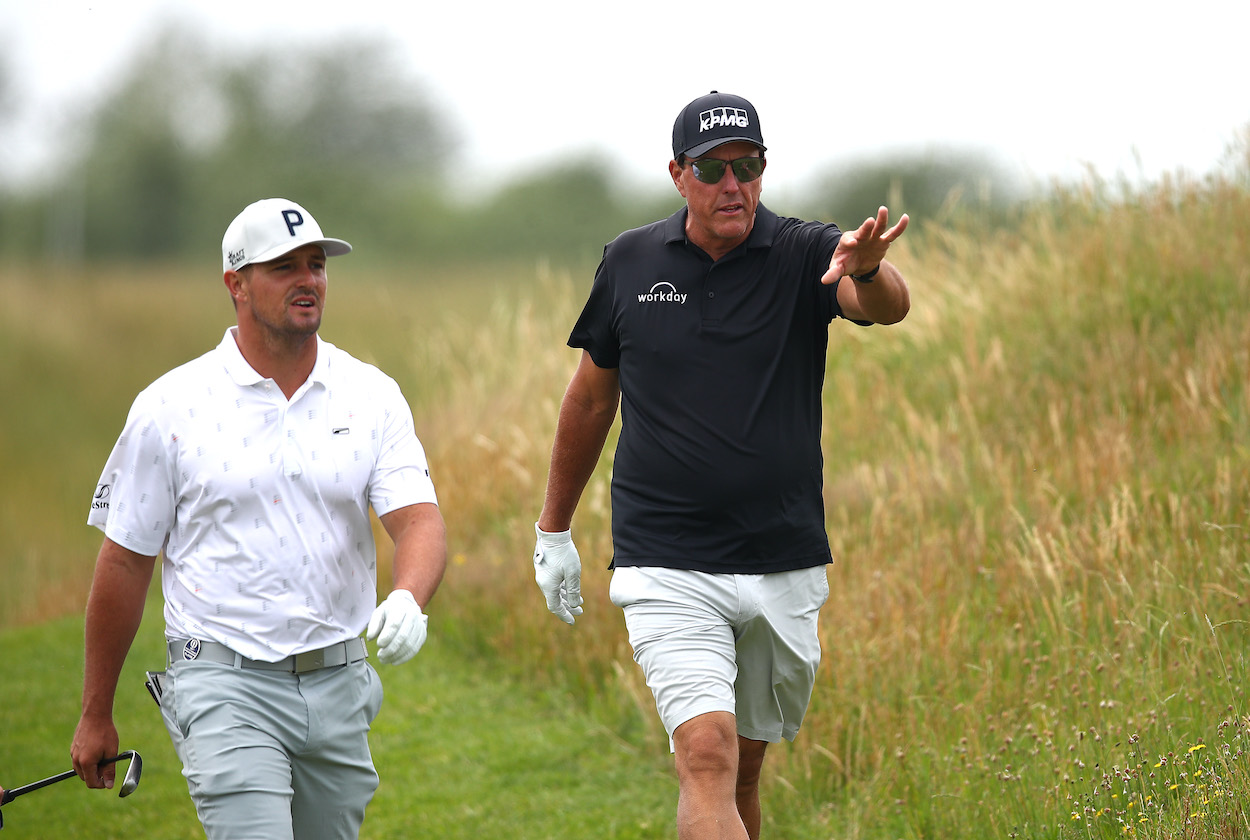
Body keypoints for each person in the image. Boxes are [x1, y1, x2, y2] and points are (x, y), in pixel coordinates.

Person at [532, 91, 910, 840]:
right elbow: (589, 402)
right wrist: (554, 530)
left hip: (782, 556)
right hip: (667, 556)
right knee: (704, 752)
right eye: (713, 168)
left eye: (748, 164)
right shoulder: (631, 262)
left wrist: (866, 272)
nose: (732, 183)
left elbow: (883, 306)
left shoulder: (808, 250)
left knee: (741, 772)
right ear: (679, 175)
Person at [71, 198, 446, 840]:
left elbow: (419, 521)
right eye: (284, 267)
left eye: (316, 264)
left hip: (339, 682)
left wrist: (410, 597)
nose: (308, 279)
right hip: (222, 680)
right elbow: (126, 560)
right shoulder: (170, 406)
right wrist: (94, 712)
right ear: (236, 284)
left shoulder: (371, 394)